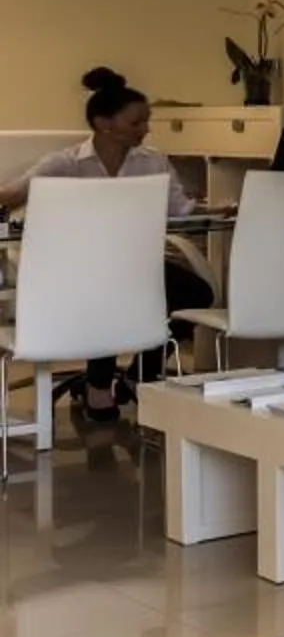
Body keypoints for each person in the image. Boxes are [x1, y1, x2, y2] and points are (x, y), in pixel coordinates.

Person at [0, 68, 217, 422]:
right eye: (136, 122)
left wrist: (219, 209)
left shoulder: (153, 161)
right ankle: (99, 386)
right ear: (104, 123)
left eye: (146, 121)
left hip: (133, 264)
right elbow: (11, 195)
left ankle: (140, 375)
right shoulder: (64, 164)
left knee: (197, 294)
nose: (145, 129)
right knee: (109, 292)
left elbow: (180, 210)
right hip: (74, 269)